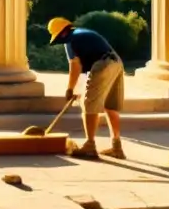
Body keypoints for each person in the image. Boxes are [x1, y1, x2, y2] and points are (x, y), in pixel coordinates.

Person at [47, 17, 126, 160]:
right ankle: (117, 147)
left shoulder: (71, 40)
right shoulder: (83, 33)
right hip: (116, 62)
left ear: (61, 34)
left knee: (88, 104)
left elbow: (75, 66)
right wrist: (78, 89)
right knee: (110, 105)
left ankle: (90, 146)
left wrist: (70, 89)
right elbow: (84, 69)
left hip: (102, 64)